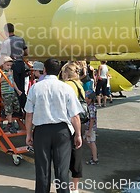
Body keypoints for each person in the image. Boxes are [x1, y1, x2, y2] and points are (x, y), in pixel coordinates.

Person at [25, 58, 83, 193]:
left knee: (42, 170)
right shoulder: (66, 88)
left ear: (44, 70)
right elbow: (75, 115)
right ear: (59, 72)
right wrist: (78, 134)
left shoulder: (35, 88)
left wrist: (28, 134)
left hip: (41, 131)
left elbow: (29, 114)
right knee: (62, 170)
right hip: (62, 131)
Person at [61, 62, 85, 192]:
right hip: (80, 122)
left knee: (64, 157)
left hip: (70, 123)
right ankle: (75, 188)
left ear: (66, 73)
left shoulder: (66, 86)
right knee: (77, 157)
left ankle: (65, 186)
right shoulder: (79, 85)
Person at [0, 56, 21, 133]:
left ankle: (5, 112)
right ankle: (9, 124)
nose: (9, 67)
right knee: (9, 108)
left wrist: (17, 90)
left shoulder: (11, 71)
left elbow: (13, 81)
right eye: (7, 65)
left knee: (17, 106)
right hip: (6, 92)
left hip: (12, 91)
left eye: (10, 65)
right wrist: (6, 75)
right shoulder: (1, 72)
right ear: (3, 64)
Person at [1, 23, 28, 110]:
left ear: (5, 31)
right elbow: (26, 52)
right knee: (22, 87)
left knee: (14, 86)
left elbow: (4, 57)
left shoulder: (5, 42)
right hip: (21, 64)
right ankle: (24, 107)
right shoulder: (21, 39)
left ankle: (17, 109)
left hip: (13, 64)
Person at [84, 90, 98, 165]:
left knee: (91, 142)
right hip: (89, 127)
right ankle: (94, 153)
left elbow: (92, 119)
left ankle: (95, 158)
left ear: (90, 99)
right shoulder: (89, 106)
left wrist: (89, 130)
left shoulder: (91, 108)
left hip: (90, 128)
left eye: (85, 97)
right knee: (87, 140)